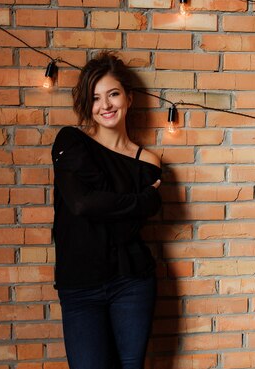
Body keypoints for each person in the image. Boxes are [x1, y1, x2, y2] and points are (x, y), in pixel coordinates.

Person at [51, 52, 162, 369]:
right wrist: (142, 201)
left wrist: (111, 207)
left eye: (113, 94)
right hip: (80, 286)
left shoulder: (148, 162)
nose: (106, 105)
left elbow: (123, 229)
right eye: (96, 98)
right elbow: (81, 203)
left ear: (128, 97)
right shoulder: (71, 141)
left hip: (132, 282)